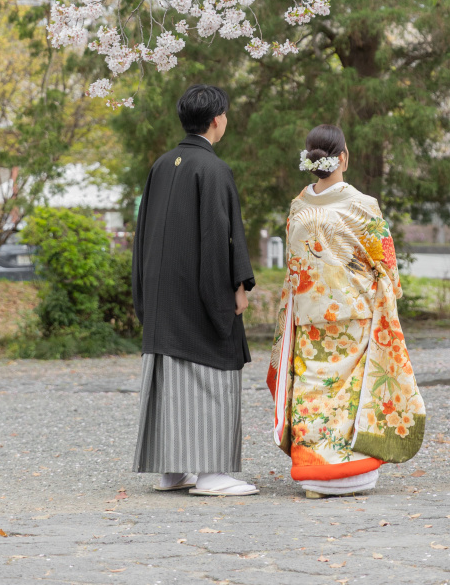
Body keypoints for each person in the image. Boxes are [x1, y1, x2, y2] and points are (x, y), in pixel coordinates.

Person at [268, 124, 425, 498]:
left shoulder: (298, 206)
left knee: (312, 389)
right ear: (343, 157)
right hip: (354, 313)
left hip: (308, 315)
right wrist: (388, 295)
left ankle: (311, 471)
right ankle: (344, 472)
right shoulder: (361, 206)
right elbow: (386, 262)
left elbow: (294, 263)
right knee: (348, 392)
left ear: (310, 160)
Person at [132, 83, 258, 497]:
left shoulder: (162, 164)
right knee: (213, 369)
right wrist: (237, 287)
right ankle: (210, 473)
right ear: (217, 120)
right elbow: (222, 234)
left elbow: (143, 233)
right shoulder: (213, 168)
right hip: (198, 288)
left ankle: (172, 470)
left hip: (162, 291)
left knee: (170, 375)